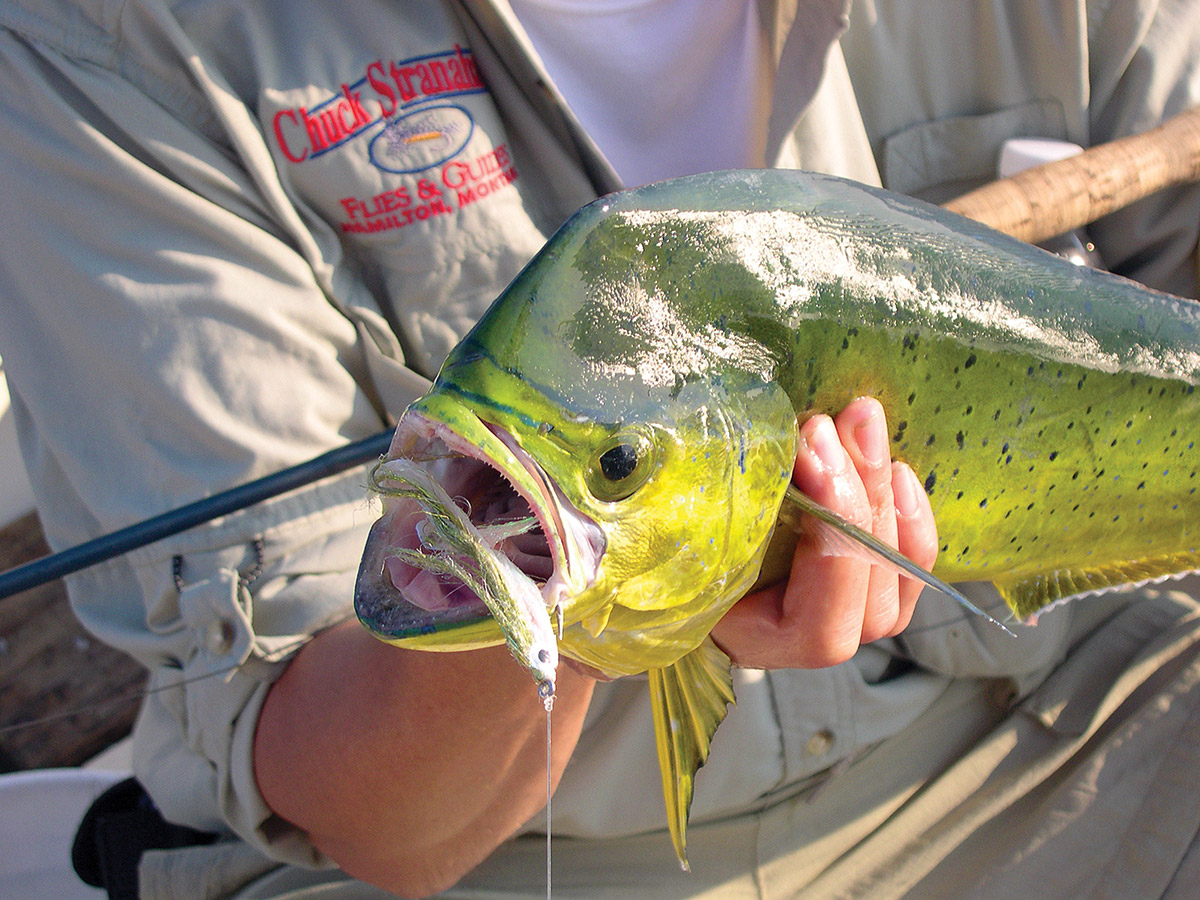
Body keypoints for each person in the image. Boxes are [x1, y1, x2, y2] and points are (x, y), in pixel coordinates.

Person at [0, 2, 1198, 899]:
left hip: (1048, 718)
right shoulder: (104, 43)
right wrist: (563, 598)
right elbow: (385, 826)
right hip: (520, 863)